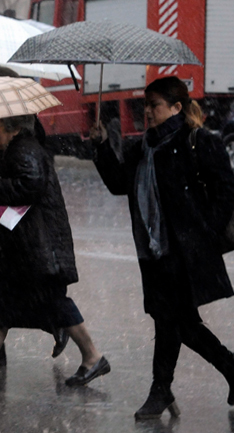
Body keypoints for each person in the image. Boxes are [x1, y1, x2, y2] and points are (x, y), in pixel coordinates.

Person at [90, 76, 234, 420]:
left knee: (173, 321)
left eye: (154, 105)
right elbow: (117, 184)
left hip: (185, 251)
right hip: (154, 252)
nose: (148, 112)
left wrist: (206, 236)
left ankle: (161, 389)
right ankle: (217, 372)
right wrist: (100, 146)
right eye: (146, 105)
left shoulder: (197, 142)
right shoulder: (142, 147)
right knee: (176, 322)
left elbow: (226, 192)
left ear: (176, 107)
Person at [0, 114, 109, 387]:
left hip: (38, 244)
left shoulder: (26, 149)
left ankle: (93, 355)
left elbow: (30, 185)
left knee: (52, 300)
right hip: (24, 245)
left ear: (13, 128)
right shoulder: (13, 149)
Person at [0, 66, 69, 369]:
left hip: (17, 226)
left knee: (12, 289)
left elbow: (18, 172)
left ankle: (64, 326)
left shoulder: (22, 127)